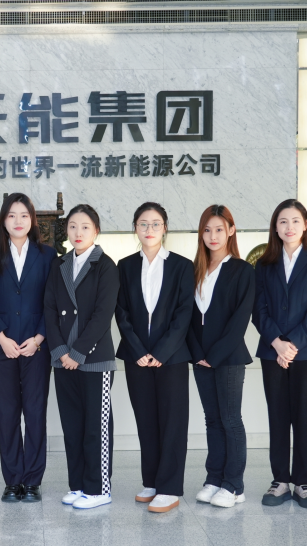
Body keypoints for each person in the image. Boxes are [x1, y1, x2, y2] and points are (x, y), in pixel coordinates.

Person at [252, 199, 307, 509]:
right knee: (277, 416)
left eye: (295, 221)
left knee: (302, 416)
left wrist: (292, 344)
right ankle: (280, 481)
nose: (289, 227)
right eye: (283, 221)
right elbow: (258, 309)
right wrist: (277, 342)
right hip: (272, 351)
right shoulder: (264, 263)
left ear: (306, 225)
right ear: (275, 226)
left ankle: (303, 483)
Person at [115, 202, 193, 513]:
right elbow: (121, 313)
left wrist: (161, 352)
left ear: (165, 228)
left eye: (156, 223)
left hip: (171, 357)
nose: (150, 229)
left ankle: (170, 488)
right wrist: (138, 350)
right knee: (145, 420)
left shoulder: (182, 266)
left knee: (173, 422)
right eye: (143, 224)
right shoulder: (124, 266)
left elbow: (184, 314)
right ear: (135, 228)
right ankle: (151, 481)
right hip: (136, 357)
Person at [0, 193, 56, 503]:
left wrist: (38, 339)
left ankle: (33, 480)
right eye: (12, 215)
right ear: (3, 220)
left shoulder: (48, 255)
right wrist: (1, 337)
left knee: (35, 414)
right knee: (8, 415)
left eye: (24, 215)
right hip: (2, 348)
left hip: (37, 349)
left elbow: (53, 302)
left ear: (32, 220)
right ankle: (13, 481)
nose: (18, 221)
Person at [44, 204, 119, 510]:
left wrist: (76, 352)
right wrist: (60, 351)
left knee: (95, 428)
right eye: (73, 226)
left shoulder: (106, 266)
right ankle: (77, 485)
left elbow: (102, 316)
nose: (78, 232)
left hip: (94, 359)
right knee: (72, 427)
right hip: (63, 360)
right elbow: (49, 309)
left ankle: (99, 489)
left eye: (85, 226)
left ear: (96, 231)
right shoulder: (59, 264)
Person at [186, 205, 255, 509]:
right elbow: (187, 317)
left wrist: (213, 356)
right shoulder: (194, 269)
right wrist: (198, 353)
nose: (212, 236)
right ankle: (214, 478)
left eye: (218, 229)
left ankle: (234, 485)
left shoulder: (242, 270)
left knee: (230, 420)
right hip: (200, 358)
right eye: (207, 230)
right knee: (212, 420)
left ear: (231, 231)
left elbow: (239, 321)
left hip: (228, 358)